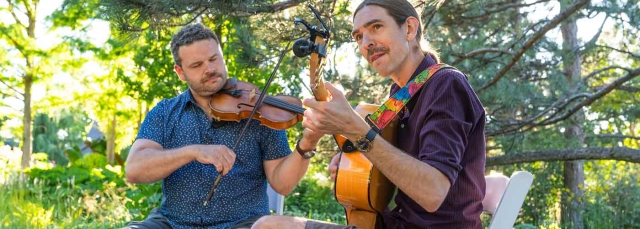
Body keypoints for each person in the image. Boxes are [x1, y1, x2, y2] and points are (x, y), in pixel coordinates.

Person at [252, 0, 486, 228]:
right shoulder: (398, 95)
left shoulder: (446, 85)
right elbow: (391, 161)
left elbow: (433, 192)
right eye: (358, 37)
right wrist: (356, 163)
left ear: (409, 28)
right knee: (268, 225)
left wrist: (357, 131)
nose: (366, 43)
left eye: (376, 27)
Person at [123, 23, 323, 229]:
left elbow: (283, 184)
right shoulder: (165, 112)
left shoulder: (259, 109)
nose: (209, 69)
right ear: (180, 72)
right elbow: (135, 169)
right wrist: (193, 151)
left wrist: (308, 143)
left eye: (213, 59)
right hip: (171, 223)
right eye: (196, 65)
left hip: (242, 224)